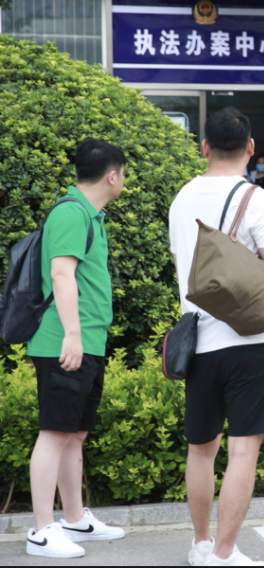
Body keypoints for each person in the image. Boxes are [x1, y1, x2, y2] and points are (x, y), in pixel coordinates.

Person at [169, 107, 264, 566]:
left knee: (201, 449)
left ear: (204, 147)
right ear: (250, 148)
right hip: (252, 342)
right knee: (243, 450)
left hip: (198, 343)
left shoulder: (181, 199)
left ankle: (202, 545)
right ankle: (224, 555)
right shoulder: (256, 199)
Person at [25, 139, 127, 559]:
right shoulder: (71, 213)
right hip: (64, 342)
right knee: (54, 432)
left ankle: (73, 519)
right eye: (124, 173)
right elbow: (61, 275)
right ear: (112, 175)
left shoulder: (90, 215)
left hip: (86, 340)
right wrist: (72, 334)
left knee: (74, 432)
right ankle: (41, 531)